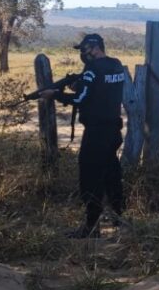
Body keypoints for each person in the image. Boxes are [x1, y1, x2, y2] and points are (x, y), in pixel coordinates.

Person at [43, 33, 125, 237]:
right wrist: (79, 85)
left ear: (95, 47)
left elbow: (81, 99)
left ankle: (91, 226)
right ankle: (118, 216)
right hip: (113, 129)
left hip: (96, 131)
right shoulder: (116, 65)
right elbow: (102, 91)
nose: (82, 53)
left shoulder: (92, 70)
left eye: (84, 49)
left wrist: (56, 94)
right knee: (111, 173)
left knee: (90, 176)